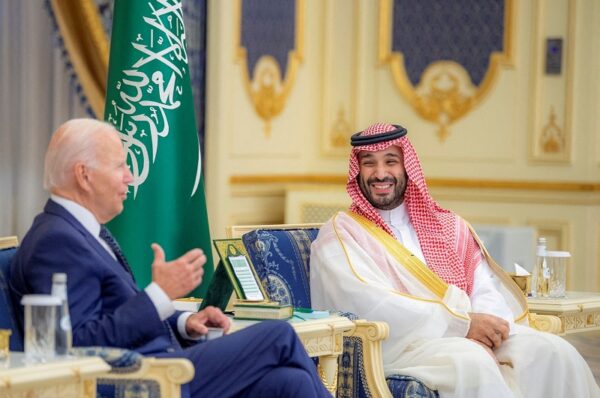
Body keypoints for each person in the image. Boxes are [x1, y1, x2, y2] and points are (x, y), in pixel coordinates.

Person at [10, 118, 330, 398]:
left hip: (164, 362)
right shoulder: (57, 240)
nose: (131, 177)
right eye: (120, 166)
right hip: (140, 380)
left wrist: (183, 321)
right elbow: (76, 342)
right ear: (84, 175)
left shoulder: (85, 230)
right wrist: (160, 293)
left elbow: (115, 311)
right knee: (279, 335)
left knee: (291, 382)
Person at [309, 122, 600, 397]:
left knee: (553, 352)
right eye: (369, 163)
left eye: (390, 161)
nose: (379, 173)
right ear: (357, 172)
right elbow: (368, 303)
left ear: (407, 168)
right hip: (401, 344)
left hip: (462, 333)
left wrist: (486, 329)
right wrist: (461, 325)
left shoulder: (448, 226)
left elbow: (483, 288)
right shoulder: (342, 233)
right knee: (471, 363)